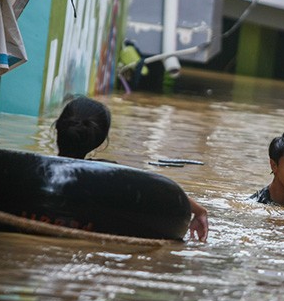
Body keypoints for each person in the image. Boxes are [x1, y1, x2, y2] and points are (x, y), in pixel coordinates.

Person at [55, 96, 209, 241]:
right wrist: (200, 211)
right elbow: (157, 189)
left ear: (58, 128)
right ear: (100, 141)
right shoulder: (111, 175)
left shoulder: (36, 170)